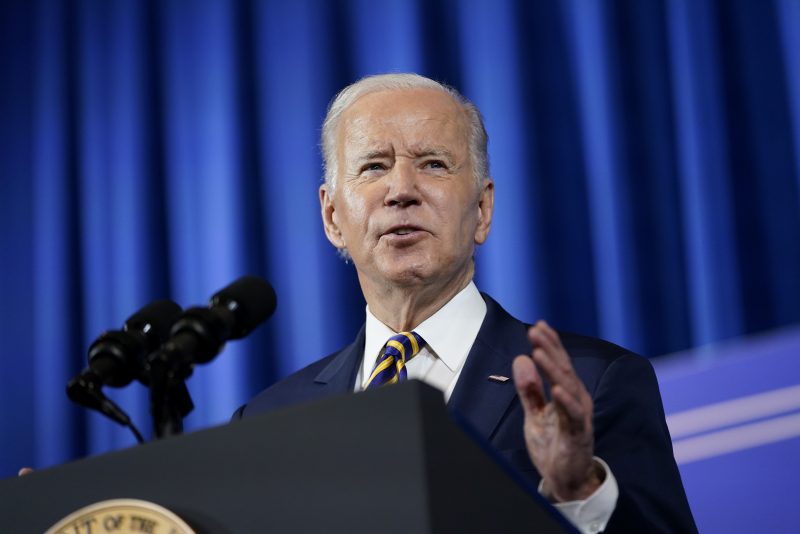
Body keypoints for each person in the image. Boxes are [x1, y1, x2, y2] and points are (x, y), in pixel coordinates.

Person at [234, 73, 696, 533]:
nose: (401, 190)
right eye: (374, 166)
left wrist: (580, 496)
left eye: (433, 163)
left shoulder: (592, 385)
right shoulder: (268, 422)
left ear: (482, 209)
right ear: (332, 216)